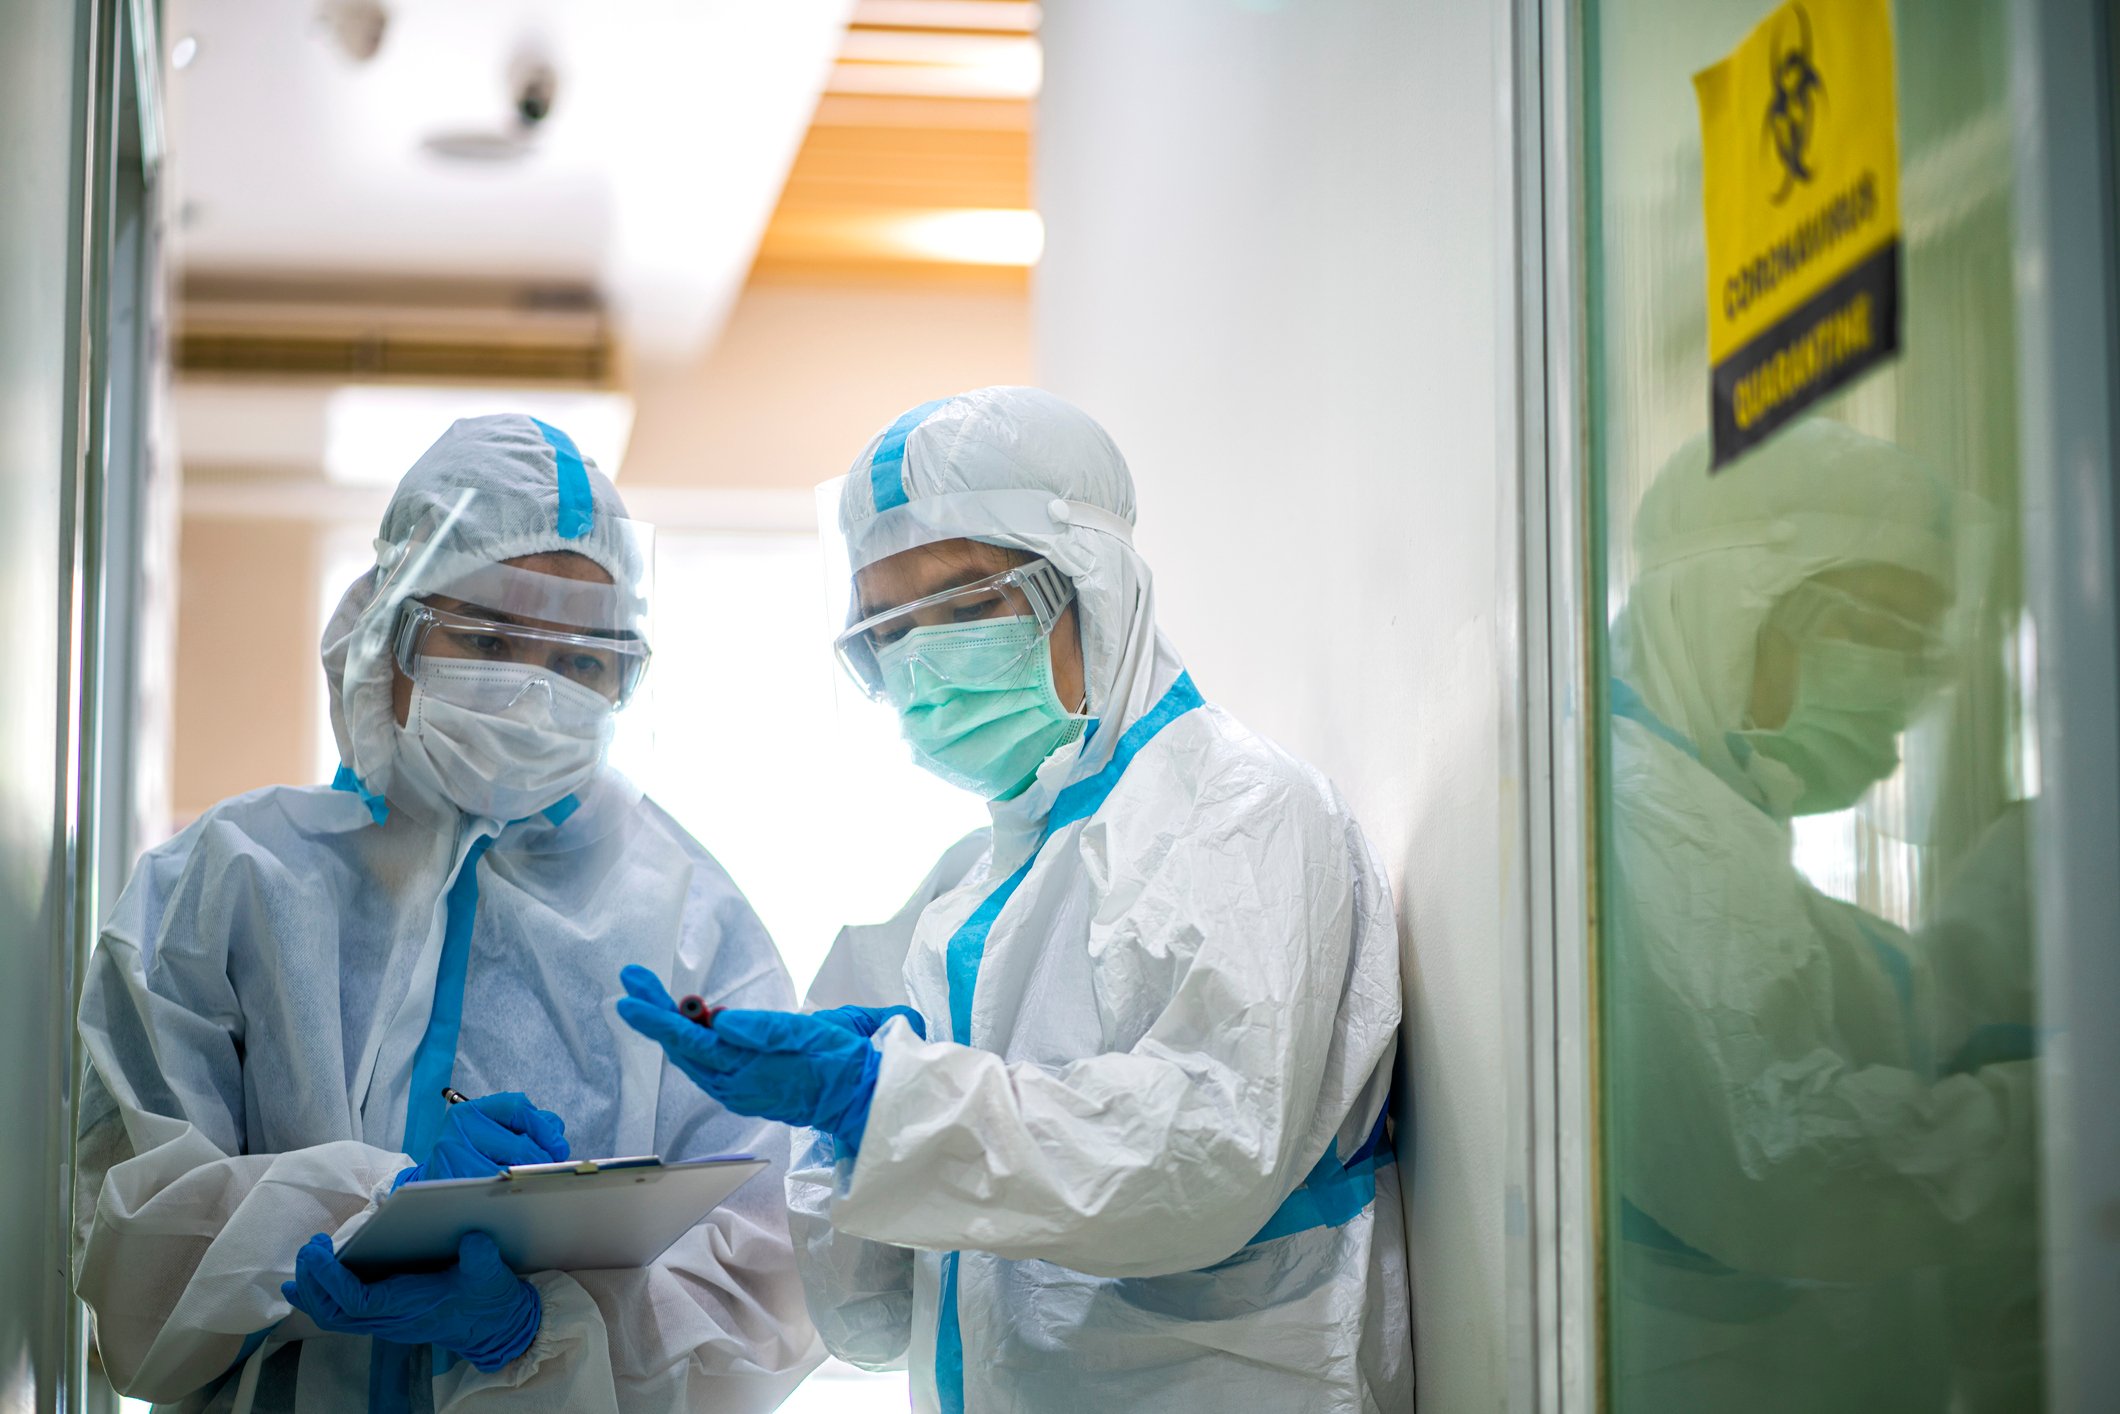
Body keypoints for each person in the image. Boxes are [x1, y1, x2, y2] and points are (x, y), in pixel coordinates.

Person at [619, 387, 1413, 1412]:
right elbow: (870, 1315)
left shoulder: (1241, 812)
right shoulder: (967, 887)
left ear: (1095, 585)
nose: (924, 663)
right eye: (887, 631)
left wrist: (881, 1098)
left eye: (963, 605)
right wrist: (845, 1127)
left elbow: (1203, 1151)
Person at [74, 415, 820, 1413]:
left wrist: (536, 1328)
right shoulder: (228, 884)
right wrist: (368, 1209)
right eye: (490, 639)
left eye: (582, 659)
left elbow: (770, 1285)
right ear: (390, 628)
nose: (534, 691)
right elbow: (128, 1261)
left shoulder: (692, 921)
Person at [1601, 420, 2040, 1413]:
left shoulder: (1708, 813)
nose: (1908, 680)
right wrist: (2058, 1120)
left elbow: (1858, 996)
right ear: (1733, 602)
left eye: (1921, 648)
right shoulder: (1657, 821)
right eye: (1878, 629)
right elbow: (1785, 1158)